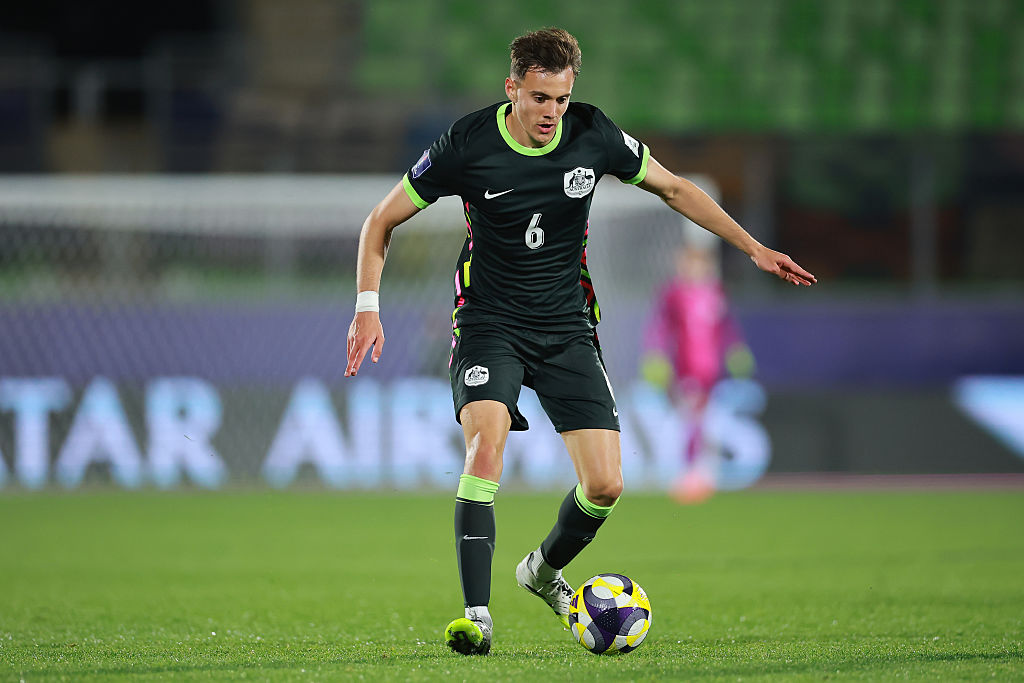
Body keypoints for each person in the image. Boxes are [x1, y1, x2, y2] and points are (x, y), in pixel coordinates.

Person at [344, 27, 816, 655]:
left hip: (567, 328)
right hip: (489, 324)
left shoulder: (594, 134)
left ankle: (540, 571)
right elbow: (381, 220)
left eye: (561, 99)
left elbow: (675, 189)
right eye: (539, 98)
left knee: (606, 486)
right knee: (486, 446)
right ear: (512, 88)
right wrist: (367, 306)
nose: (551, 113)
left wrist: (754, 249)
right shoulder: (467, 143)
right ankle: (477, 617)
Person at [641, 242, 756, 504]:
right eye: (689, 263)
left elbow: (727, 327)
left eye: (700, 264)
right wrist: (655, 353)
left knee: (706, 420)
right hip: (685, 367)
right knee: (691, 419)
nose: (695, 269)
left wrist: (736, 350)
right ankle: (690, 472)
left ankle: (701, 471)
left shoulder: (716, 292)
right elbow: (659, 326)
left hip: (712, 369)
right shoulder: (673, 293)